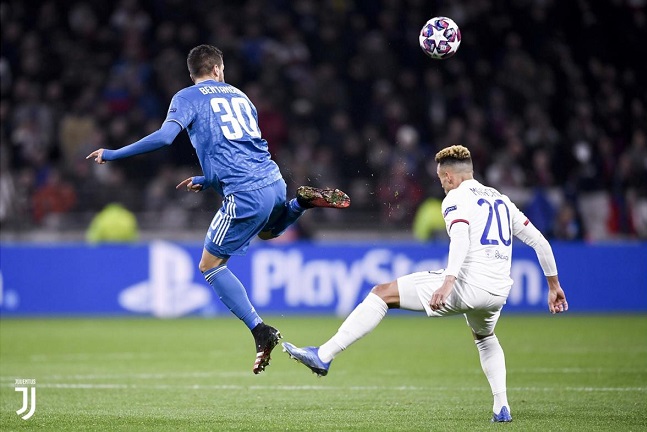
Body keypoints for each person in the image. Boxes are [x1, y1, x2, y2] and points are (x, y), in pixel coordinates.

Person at [87, 44, 350, 374]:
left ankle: (260, 330)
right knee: (269, 231)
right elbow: (240, 150)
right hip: (273, 179)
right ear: (217, 70)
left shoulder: (187, 97)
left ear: (194, 72)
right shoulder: (242, 97)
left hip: (243, 193)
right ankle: (301, 202)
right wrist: (208, 179)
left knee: (210, 265)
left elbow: (166, 138)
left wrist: (113, 154)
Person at [282, 145, 567, 422]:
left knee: (381, 293)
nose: (442, 185)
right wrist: (553, 286)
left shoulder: (455, 198)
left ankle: (324, 354)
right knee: (485, 338)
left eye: (441, 179)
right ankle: (501, 406)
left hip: (466, 285)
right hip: (497, 291)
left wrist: (448, 282)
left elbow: (461, 239)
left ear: (449, 177)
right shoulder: (502, 201)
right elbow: (539, 241)